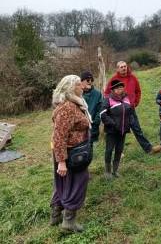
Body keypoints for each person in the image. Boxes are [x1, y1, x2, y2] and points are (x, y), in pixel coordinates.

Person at [50, 75, 92, 232]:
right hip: (70, 154)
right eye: (79, 84)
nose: (82, 86)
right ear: (70, 88)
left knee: (62, 183)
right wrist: (61, 161)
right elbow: (59, 135)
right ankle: (68, 222)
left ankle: (55, 214)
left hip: (72, 152)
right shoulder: (67, 108)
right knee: (78, 183)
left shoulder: (74, 104)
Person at [104, 61, 161, 154]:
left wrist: (135, 102)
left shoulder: (133, 78)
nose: (123, 68)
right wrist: (112, 106)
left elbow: (138, 91)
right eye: (121, 67)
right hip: (118, 111)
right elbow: (106, 94)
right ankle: (117, 152)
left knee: (137, 129)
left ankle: (149, 149)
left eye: (125, 66)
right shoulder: (113, 79)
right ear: (117, 69)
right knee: (118, 132)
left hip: (130, 109)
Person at [100, 79, 133, 179]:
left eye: (122, 88)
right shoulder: (108, 99)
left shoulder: (126, 99)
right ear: (113, 90)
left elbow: (130, 112)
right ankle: (107, 171)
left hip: (123, 130)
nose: (121, 90)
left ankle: (115, 171)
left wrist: (130, 122)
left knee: (119, 150)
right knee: (109, 150)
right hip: (112, 131)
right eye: (118, 88)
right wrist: (113, 123)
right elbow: (102, 113)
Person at [81, 70, 103, 154]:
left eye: (91, 80)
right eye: (87, 80)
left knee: (89, 151)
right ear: (81, 81)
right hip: (79, 128)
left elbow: (100, 109)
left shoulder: (97, 94)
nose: (90, 82)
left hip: (92, 127)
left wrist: (96, 122)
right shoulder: (77, 93)